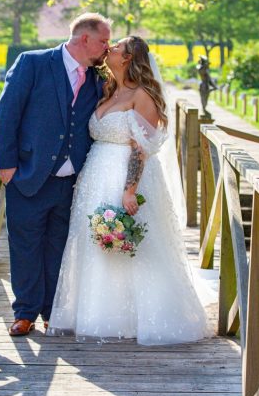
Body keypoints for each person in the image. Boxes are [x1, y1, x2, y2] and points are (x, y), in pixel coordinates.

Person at [48, 36, 209, 345]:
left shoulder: (143, 95)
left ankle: (138, 316)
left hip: (124, 176)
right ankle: (95, 314)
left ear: (129, 58)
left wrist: (130, 191)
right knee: (95, 241)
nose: (110, 48)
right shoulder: (108, 90)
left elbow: (140, 150)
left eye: (118, 46)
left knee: (129, 243)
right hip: (95, 176)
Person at [0, 13, 112, 336]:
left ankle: (51, 312)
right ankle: (25, 312)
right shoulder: (33, 63)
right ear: (84, 38)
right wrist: (5, 166)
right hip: (28, 174)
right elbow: (7, 113)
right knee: (25, 245)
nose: (107, 47)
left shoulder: (98, 78)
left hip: (70, 181)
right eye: (103, 41)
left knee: (57, 246)